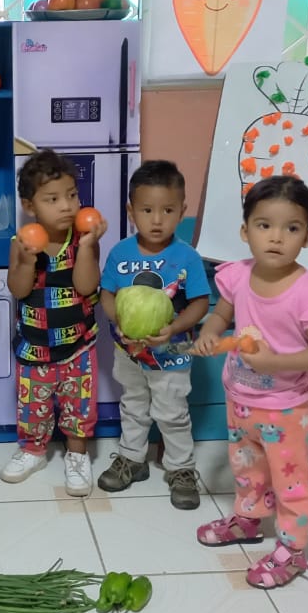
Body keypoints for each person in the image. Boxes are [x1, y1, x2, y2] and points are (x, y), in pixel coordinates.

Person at [193, 175, 308, 588]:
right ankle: (248, 520)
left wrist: (275, 363)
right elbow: (222, 313)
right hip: (240, 399)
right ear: (245, 231)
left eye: (291, 228)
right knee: (247, 468)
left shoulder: (307, 293)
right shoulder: (238, 276)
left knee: (290, 480)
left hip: (285, 409)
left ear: (307, 237)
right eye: (264, 225)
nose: (277, 237)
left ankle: (292, 549)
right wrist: (210, 331)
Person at [97, 160, 210, 510]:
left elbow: (200, 303)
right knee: (133, 405)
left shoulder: (187, 257)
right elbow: (106, 294)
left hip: (172, 354)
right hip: (129, 352)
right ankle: (132, 458)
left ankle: (181, 468)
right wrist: (119, 320)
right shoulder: (120, 253)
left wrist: (174, 328)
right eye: (147, 210)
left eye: (168, 210)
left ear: (182, 212)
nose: (157, 220)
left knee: (172, 412)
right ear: (131, 212)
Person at [2, 149, 106, 495]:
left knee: (79, 406)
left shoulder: (83, 239)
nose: (67, 206)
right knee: (33, 407)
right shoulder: (21, 242)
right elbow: (18, 289)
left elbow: (86, 286)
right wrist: (26, 260)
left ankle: (77, 456)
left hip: (79, 346)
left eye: (72, 195)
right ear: (29, 206)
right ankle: (33, 450)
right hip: (35, 347)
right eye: (53, 199)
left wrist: (88, 247)